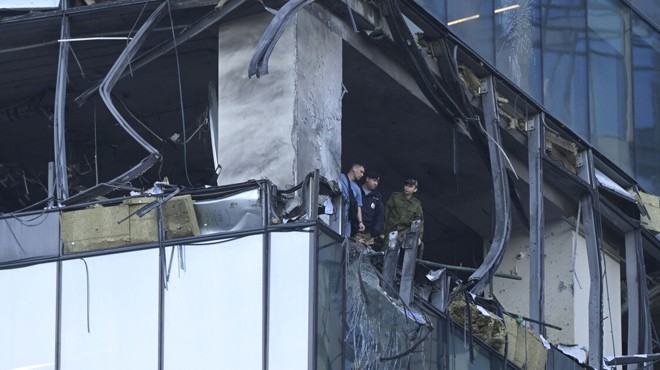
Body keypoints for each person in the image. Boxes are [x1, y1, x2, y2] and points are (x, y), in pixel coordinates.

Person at [383, 178, 424, 247]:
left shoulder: (416, 205)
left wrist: (419, 237)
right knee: (386, 251)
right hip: (390, 230)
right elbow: (386, 214)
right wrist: (382, 232)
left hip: (403, 234)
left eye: (410, 186)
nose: (407, 188)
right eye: (406, 185)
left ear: (415, 189)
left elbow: (419, 222)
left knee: (401, 254)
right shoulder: (395, 197)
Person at [341, 162, 366, 237]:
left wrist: (360, 222)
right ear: (354, 169)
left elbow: (358, 206)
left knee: (345, 240)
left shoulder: (357, 189)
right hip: (336, 212)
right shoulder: (340, 177)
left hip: (347, 217)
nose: (362, 175)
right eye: (361, 172)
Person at [360, 170, 384, 241]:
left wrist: (376, 231)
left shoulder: (377, 197)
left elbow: (380, 215)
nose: (376, 183)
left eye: (377, 182)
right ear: (367, 179)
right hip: (354, 227)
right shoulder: (357, 190)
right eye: (374, 180)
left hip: (367, 232)